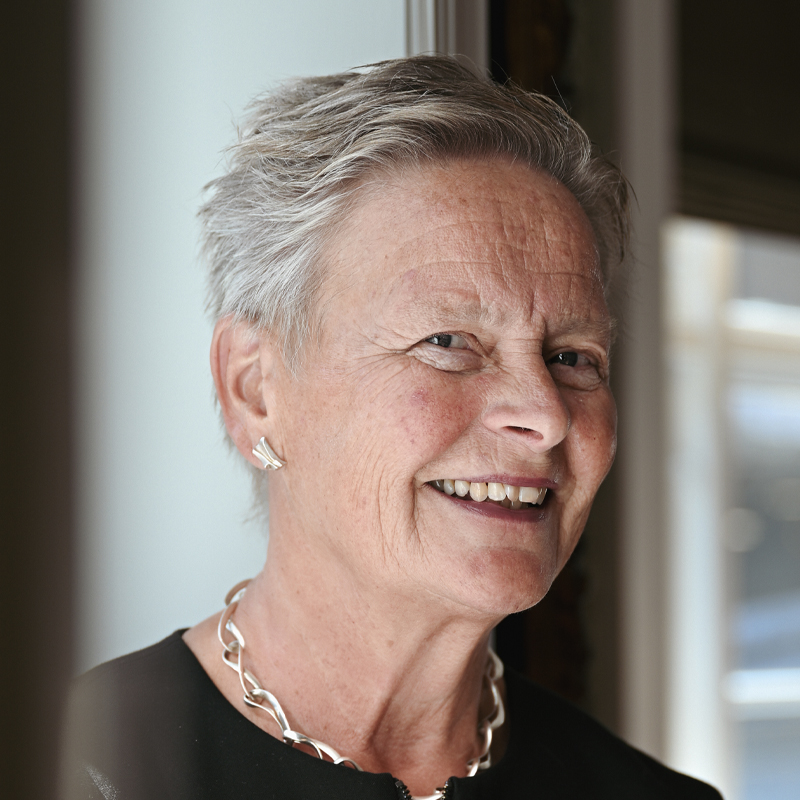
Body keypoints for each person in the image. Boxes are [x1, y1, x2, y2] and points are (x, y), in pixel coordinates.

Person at [62, 56, 722, 800]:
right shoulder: (63, 766)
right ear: (255, 389)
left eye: (572, 357)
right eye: (447, 341)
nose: (545, 415)